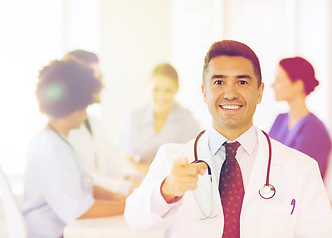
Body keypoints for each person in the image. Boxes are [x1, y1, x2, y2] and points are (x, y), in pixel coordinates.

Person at [124, 40, 332, 237]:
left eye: (242, 82)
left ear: (260, 92)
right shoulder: (171, 158)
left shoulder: (301, 169)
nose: (230, 93)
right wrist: (167, 189)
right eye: (218, 81)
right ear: (204, 92)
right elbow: (135, 219)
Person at [22, 58, 126, 238]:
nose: (86, 112)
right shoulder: (53, 150)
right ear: (69, 105)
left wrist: (115, 197)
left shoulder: (55, 141)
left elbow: (82, 186)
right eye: (84, 106)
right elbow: (80, 209)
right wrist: (129, 207)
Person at [64, 49, 141, 195]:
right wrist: (126, 187)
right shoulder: (64, 130)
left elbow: (113, 158)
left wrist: (131, 176)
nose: (103, 85)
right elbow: (82, 178)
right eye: (97, 79)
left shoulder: (94, 124)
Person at [117, 63, 200, 175]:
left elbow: (192, 160)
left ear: (177, 89)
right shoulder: (134, 117)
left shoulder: (186, 118)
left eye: (168, 90)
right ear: (147, 87)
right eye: (156, 89)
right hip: (140, 179)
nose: (161, 96)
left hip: (175, 180)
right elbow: (125, 159)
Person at [269, 57, 332, 179]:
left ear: (298, 85)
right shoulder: (280, 119)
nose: (272, 85)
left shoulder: (313, 129)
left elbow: (297, 174)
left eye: (279, 80)